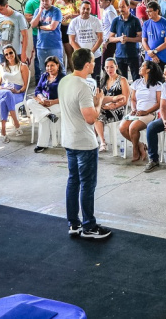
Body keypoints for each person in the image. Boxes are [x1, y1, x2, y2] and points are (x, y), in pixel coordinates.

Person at [59, 48, 111, 239]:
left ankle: (73, 223)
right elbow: (90, 118)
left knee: (73, 181)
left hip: (69, 140)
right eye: (93, 61)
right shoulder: (83, 86)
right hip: (84, 143)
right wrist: (99, 101)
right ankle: (89, 226)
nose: (95, 64)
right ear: (87, 64)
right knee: (88, 185)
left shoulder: (64, 81)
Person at [119, 61, 163, 162]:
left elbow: (159, 103)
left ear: (148, 70)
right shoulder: (137, 83)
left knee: (133, 128)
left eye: (142, 66)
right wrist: (134, 109)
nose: (140, 67)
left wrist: (146, 112)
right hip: (137, 112)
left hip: (150, 113)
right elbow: (133, 99)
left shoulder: (157, 85)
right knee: (122, 128)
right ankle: (140, 145)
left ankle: (135, 150)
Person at [27, 56, 65, 153]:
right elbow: (37, 90)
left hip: (57, 104)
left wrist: (52, 102)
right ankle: (48, 115)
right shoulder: (44, 75)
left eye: (52, 65)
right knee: (30, 102)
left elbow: (66, 96)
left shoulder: (63, 78)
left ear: (57, 65)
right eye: (47, 66)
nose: (49, 68)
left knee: (43, 118)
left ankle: (41, 145)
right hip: (43, 103)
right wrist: (42, 98)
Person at [0, 44, 29, 143]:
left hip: (17, 93)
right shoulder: (0, 66)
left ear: (14, 52)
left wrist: (18, 91)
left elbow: (25, 86)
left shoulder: (23, 66)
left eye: (10, 53)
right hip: (1, 91)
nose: (9, 55)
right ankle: (16, 123)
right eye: (6, 54)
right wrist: (4, 87)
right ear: (4, 56)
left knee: (5, 100)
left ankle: (3, 129)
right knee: (7, 94)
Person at [94, 58, 130, 152]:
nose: (109, 69)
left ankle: (101, 142)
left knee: (97, 115)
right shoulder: (103, 80)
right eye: (107, 67)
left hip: (118, 109)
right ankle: (99, 140)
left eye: (111, 67)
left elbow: (125, 100)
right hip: (104, 107)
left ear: (116, 67)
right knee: (95, 113)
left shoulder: (122, 80)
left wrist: (111, 106)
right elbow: (100, 98)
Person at [68, 0, 103, 82]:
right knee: (79, 80)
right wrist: (82, 53)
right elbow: (71, 41)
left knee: (96, 79)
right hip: (80, 56)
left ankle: (97, 93)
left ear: (90, 10)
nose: (85, 11)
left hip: (95, 56)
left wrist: (91, 53)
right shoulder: (74, 22)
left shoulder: (96, 21)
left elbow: (100, 39)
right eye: (83, 8)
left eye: (88, 9)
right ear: (80, 8)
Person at [109, 0, 142, 81]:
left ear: (128, 7)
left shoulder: (135, 20)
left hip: (133, 54)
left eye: (123, 7)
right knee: (122, 80)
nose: (121, 9)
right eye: (119, 7)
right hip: (120, 55)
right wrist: (120, 39)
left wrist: (127, 39)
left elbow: (140, 38)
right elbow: (110, 38)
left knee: (136, 79)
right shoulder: (116, 21)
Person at [30, 0, 63, 73]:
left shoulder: (56, 11)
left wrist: (40, 27)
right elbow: (33, 25)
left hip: (54, 46)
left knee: (59, 70)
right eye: (42, 1)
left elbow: (52, 27)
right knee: (43, 70)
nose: (45, 3)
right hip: (41, 46)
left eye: (46, 0)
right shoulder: (37, 11)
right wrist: (40, 11)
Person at [0, 0, 29, 64]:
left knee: (18, 73)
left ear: (7, 5)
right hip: (2, 52)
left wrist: (23, 52)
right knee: (4, 73)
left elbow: (25, 36)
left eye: (1, 9)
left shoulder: (18, 17)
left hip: (16, 52)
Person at [25, 0, 48, 79]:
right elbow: (27, 17)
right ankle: (39, 78)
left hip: (49, 34)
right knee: (39, 57)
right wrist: (39, 16)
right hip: (37, 34)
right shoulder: (30, 2)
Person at [55, 0, 80, 71]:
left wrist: (70, 15)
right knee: (69, 52)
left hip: (75, 28)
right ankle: (74, 72)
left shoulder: (76, 1)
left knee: (77, 52)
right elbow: (54, 14)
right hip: (64, 28)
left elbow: (81, 14)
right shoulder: (58, 3)